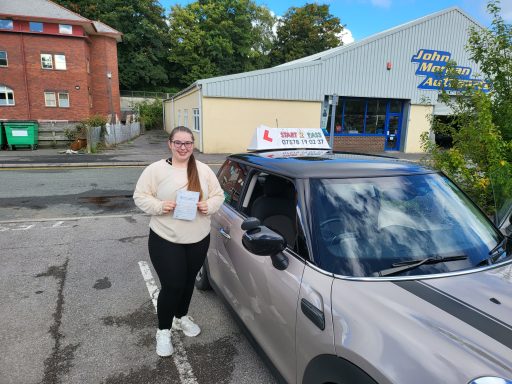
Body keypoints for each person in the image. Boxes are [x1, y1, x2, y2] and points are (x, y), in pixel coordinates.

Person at [133, 126, 224, 357]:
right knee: (173, 285)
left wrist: (208, 206)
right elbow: (140, 196)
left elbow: (218, 195)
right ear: (170, 144)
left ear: (193, 144)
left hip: (198, 238)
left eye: (188, 143)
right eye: (178, 143)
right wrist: (160, 206)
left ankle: (181, 317)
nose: (183, 147)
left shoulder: (203, 170)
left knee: (187, 282)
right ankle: (163, 330)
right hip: (166, 238)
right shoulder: (156, 170)